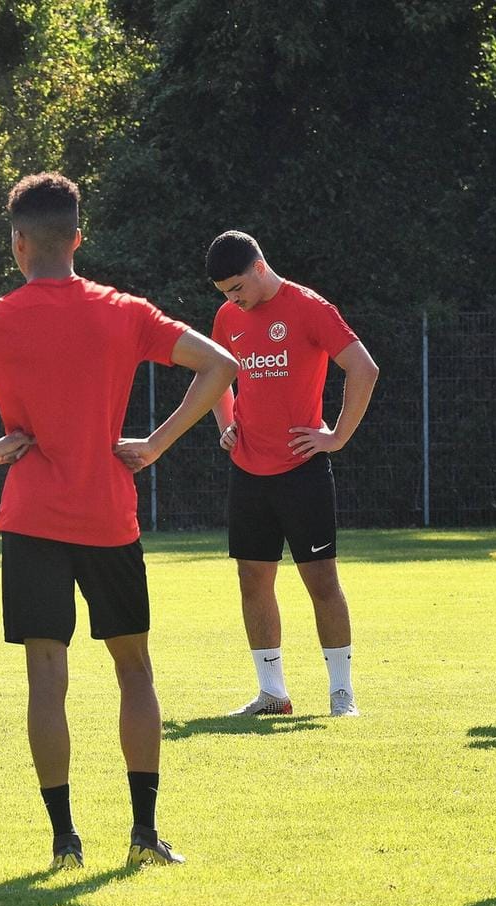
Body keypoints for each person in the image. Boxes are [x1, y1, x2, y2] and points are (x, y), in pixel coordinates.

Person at [0, 173, 237, 869]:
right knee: (134, 671)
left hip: (32, 519)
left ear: (18, 244)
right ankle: (143, 834)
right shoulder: (124, 310)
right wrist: (158, 443)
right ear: (77, 238)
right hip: (111, 514)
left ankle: (64, 841)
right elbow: (221, 365)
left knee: (46, 679)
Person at [205, 231, 379, 718]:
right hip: (248, 472)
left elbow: (364, 369)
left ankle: (342, 693)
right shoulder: (227, 317)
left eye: (237, 288)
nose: (232, 300)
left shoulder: (309, 307)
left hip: (302, 470)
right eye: (224, 294)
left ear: (259, 267)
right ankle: (272, 693)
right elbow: (214, 375)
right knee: (252, 581)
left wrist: (337, 436)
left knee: (322, 582)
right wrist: (226, 424)